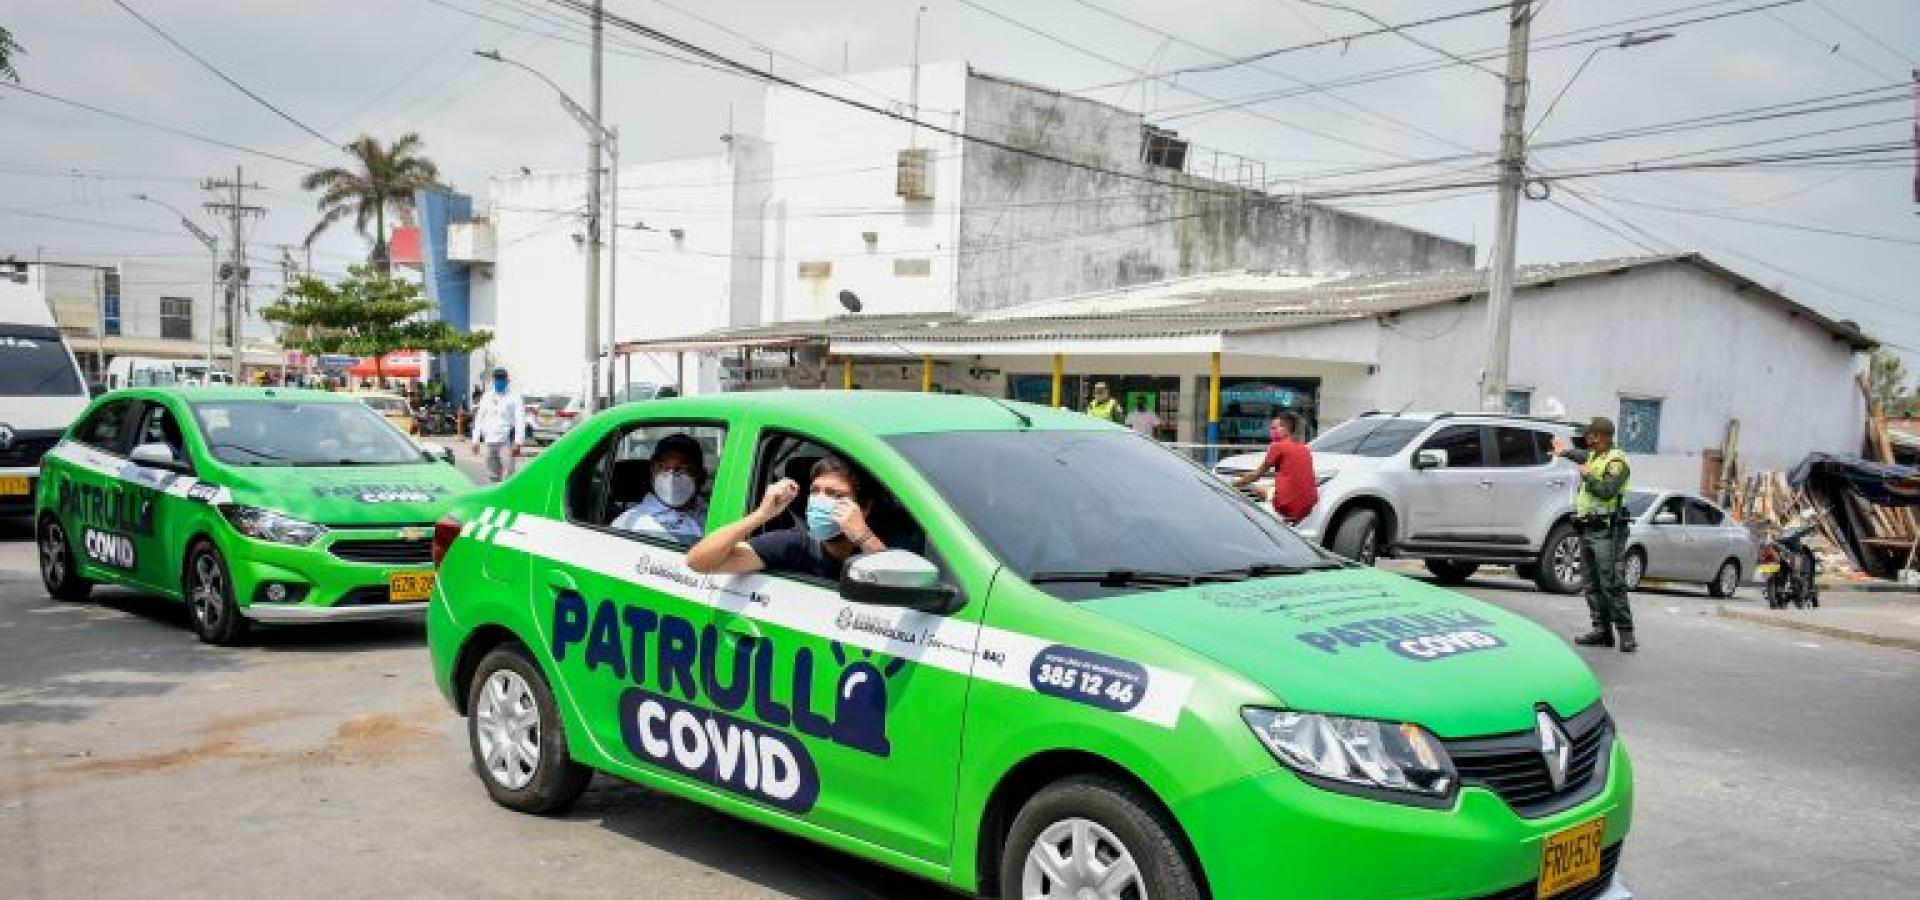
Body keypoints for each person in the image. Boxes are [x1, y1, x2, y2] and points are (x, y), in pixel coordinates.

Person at [686, 456, 887, 581]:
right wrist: (761, 515)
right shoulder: (793, 544)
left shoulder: (881, 542)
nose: (820, 501)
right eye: (815, 492)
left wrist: (864, 537)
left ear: (864, 508)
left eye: (835, 495)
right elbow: (698, 561)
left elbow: (898, 582)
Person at [1553, 417, 1637, 653]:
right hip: (1588, 528)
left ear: (1601, 436)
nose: (1587, 438)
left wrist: (1588, 475)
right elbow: (1580, 456)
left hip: (1607, 530)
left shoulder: (1616, 462)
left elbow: (1607, 491)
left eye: (1590, 435)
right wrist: (1564, 452)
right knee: (1591, 583)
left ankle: (1626, 634)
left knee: (1612, 582)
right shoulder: (1593, 456)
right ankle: (1601, 630)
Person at [611, 434, 710, 545]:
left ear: (700, 474)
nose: (671, 476)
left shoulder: (713, 512)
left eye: (682, 469)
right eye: (663, 467)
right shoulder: (630, 522)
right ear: (652, 470)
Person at [1232, 411, 1319, 524]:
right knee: (1264, 487)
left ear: (1285, 429)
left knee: (1254, 491)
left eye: (1275, 428)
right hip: (1307, 506)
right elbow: (1295, 478)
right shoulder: (1304, 448)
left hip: (1285, 506)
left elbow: (1256, 475)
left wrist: (1231, 484)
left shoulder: (1277, 446)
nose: (1272, 431)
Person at [470, 366, 527, 484]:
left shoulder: (514, 397)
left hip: (506, 442)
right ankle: (495, 502)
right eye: (497, 379)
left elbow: (520, 420)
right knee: (493, 475)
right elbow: (480, 418)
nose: (499, 382)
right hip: (489, 441)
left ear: (507, 380)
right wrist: (475, 440)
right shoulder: (487, 396)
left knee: (508, 475)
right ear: (493, 380)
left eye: (502, 379)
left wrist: (518, 442)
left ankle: (507, 501)